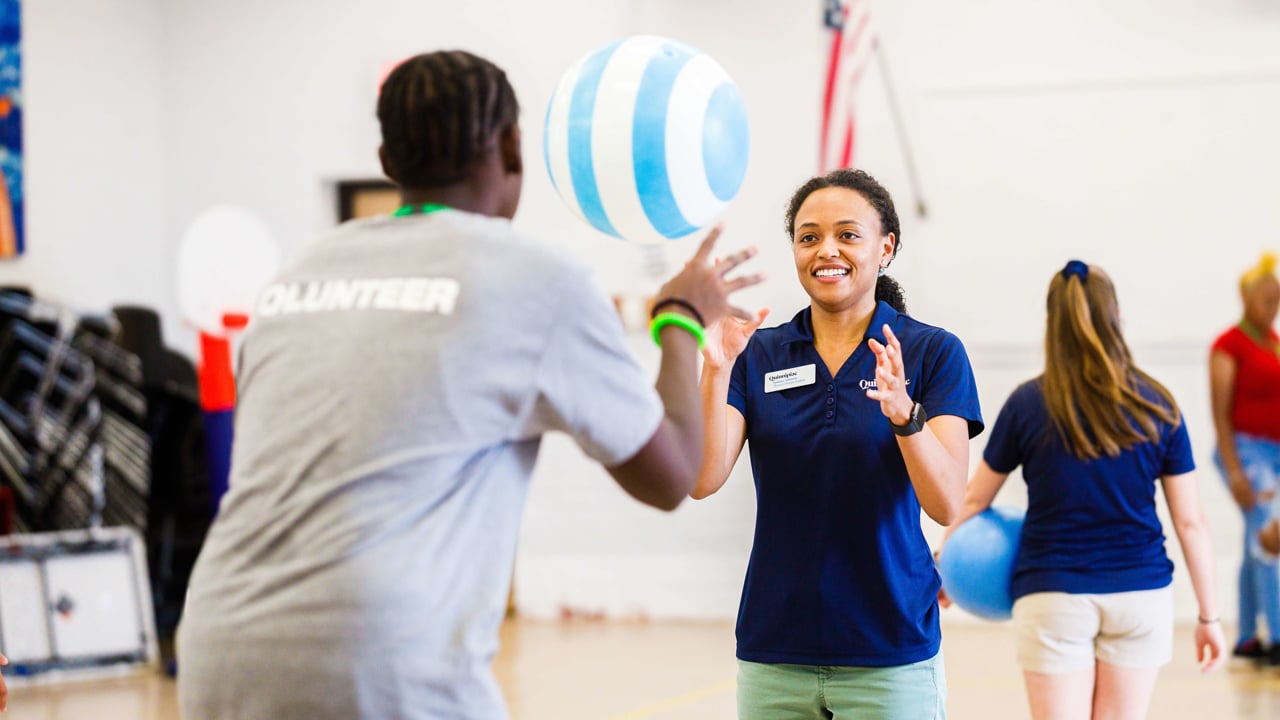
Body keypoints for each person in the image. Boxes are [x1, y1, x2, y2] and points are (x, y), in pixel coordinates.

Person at [175, 50, 763, 719]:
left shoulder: (298, 277)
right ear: (513, 149)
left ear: (387, 161)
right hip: (378, 663)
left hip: (217, 647)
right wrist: (680, 319)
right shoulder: (537, 279)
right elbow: (670, 473)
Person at [693, 168, 983, 719]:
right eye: (809, 237)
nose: (827, 249)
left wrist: (905, 416)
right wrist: (715, 372)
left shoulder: (932, 353)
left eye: (848, 234)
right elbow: (703, 479)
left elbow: (946, 504)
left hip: (890, 650)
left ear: (885, 247)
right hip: (774, 649)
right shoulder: (756, 354)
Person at [944, 261, 1226, 720]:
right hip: (1140, 594)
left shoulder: (1027, 404)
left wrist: (948, 566)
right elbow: (1191, 521)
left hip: (1054, 595)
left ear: (1052, 324)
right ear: (1116, 316)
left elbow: (975, 500)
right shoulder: (1157, 403)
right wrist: (1209, 617)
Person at [1209, 251, 1280, 663]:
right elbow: (1221, 412)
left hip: (1273, 453)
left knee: (1255, 538)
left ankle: (1250, 636)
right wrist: (1235, 470)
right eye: (1266, 300)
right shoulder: (1229, 345)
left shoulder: (1272, 344)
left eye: (1277, 301)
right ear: (1247, 298)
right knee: (1269, 538)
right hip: (1246, 452)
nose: (1272, 309)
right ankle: (1275, 635)